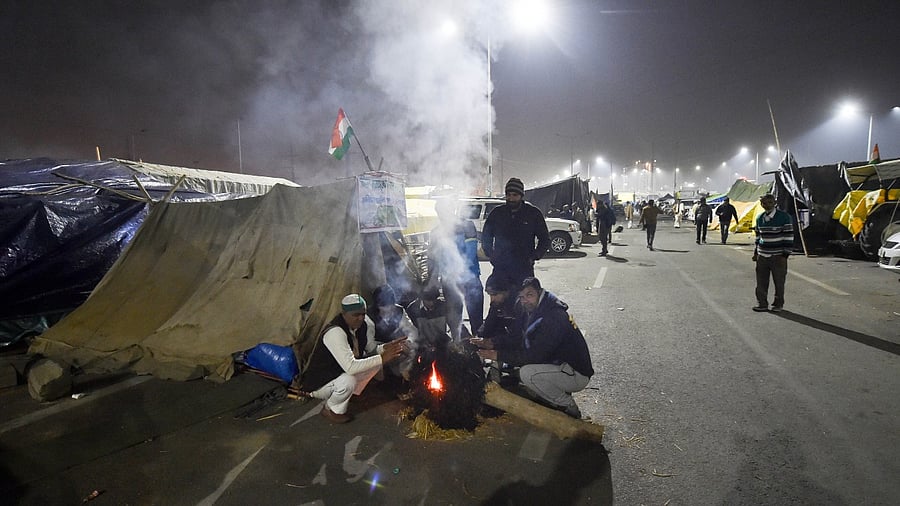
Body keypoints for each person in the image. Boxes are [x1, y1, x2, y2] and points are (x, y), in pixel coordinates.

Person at [470, 277, 594, 419]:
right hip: (559, 364)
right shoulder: (531, 308)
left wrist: (497, 355)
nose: (525, 300)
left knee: (527, 373)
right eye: (522, 296)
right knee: (520, 369)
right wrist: (492, 342)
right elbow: (516, 338)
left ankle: (567, 406)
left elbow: (534, 356)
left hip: (576, 373)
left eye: (530, 295)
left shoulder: (553, 317)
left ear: (539, 292)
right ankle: (550, 392)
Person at [300, 294, 407, 423]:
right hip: (321, 383)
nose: (360, 318)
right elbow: (350, 367)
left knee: (373, 363)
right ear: (344, 314)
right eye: (356, 315)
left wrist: (386, 347)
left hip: (339, 373)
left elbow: (369, 349)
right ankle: (330, 409)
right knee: (349, 380)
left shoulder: (361, 326)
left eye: (363, 314)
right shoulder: (335, 332)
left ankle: (349, 394)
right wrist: (383, 358)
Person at [428, 198, 484, 340]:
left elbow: (471, 254)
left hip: (470, 279)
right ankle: (458, 348)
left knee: (476, 318)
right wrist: (432, 280)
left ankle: (479, 349)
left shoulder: (467, 226)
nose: (442, 215)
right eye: (439, 212)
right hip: (449, 282)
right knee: (454, 319)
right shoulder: (435, 233)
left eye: (445, 211)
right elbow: (433, 259)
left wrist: (460, 273)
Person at [481, 177, 551, 290]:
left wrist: (534, 256)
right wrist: (492, 256)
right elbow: (486, 237)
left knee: (524, 303)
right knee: (500, 303)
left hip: (524, 269)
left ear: (521, 195)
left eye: (515, 195)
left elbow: (545, 239)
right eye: (508, 195)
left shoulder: (533, 213)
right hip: (501, 269)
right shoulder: (497, 213)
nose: (511, 198)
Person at [752, 194, 794, 312]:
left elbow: (789, 236)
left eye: (769, 203)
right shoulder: (760, 218)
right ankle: (762, 304)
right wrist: (756, 253)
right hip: (762, 255)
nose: (767, 205)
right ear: (761, 204)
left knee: (779, 282)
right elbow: (758, 237)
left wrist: (785, 255)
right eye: (764, 203)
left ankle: (778, 304)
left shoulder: (784, 217)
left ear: (774, 203)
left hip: (778, 256)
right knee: (761, 282)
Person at [371, 285, 419, 378]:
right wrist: (388, 348)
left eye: (391, 305)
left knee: (414, 348)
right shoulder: (369, 317)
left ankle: (405, 376)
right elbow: (370, 346)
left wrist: (407, 342)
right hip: (379, 352)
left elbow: (412, 331)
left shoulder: (399, 310)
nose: (389, 309)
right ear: (377, 305)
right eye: (385, 307)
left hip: (397, 349)